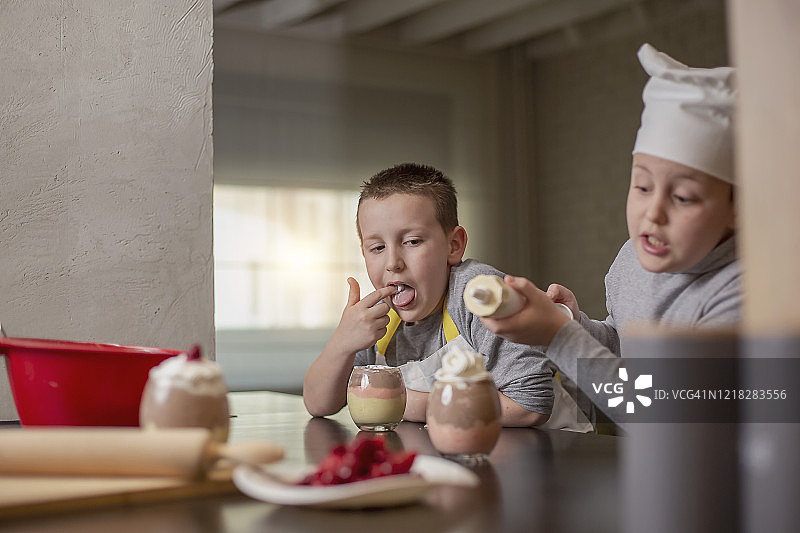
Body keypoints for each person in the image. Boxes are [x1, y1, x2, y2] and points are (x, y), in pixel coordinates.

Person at [480, 43, 740, 424]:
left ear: (737, 209)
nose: (653, 213)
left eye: (683, 196)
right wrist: (574, 323)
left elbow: (660, 410)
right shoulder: (632, 258)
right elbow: (622, 350)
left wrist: (557, 337)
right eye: (642, 187)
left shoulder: (740, 294)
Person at [303, 163, 590, 430]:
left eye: (412, 241)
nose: (393, 262)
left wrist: (398, 400)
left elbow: (530, 405)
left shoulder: (480, 295)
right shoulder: (379, 318)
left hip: (557, 455)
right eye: (377, 247)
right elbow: (319, 404)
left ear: (454, 245)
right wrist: (342, 343)